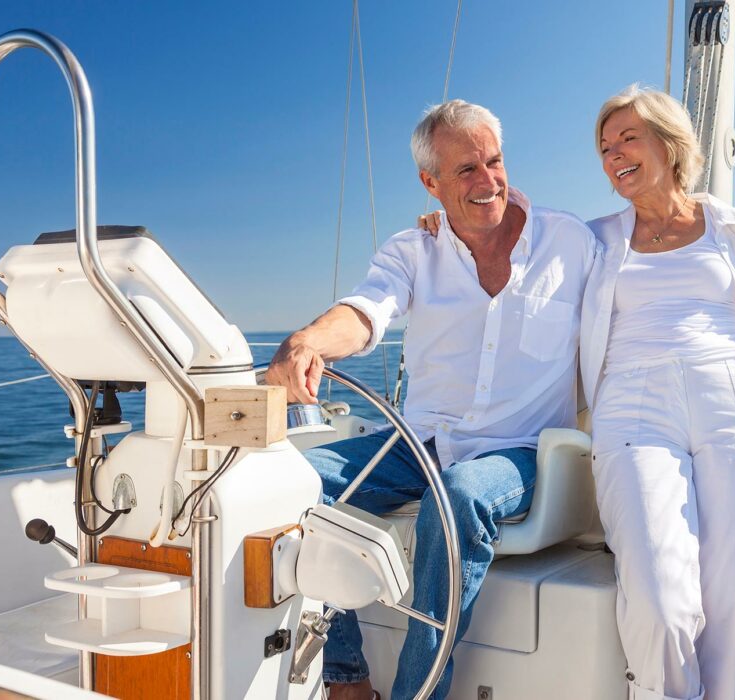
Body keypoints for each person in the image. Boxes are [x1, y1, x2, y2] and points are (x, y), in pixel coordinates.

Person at [266, 99, 598, 700]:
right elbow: (367, 313)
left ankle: (418, 694)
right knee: (286, 480)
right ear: (430, 182)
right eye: (466, 170)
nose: (488, 181)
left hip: (518, 451)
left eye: (494, 162)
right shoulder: (411, 250)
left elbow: (646, 263)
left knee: (459, 496)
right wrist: (311, 341)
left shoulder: (571, 241)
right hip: (417, 444)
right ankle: (345, 679)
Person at [579, 85, 735, 700]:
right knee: (659, 598)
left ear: (670, 145)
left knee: (734, 601)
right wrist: (442, 225)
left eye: (628, 139)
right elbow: (511, 238)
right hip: (633, 404)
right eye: (605, 147)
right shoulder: (591, 239)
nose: (615, 155)